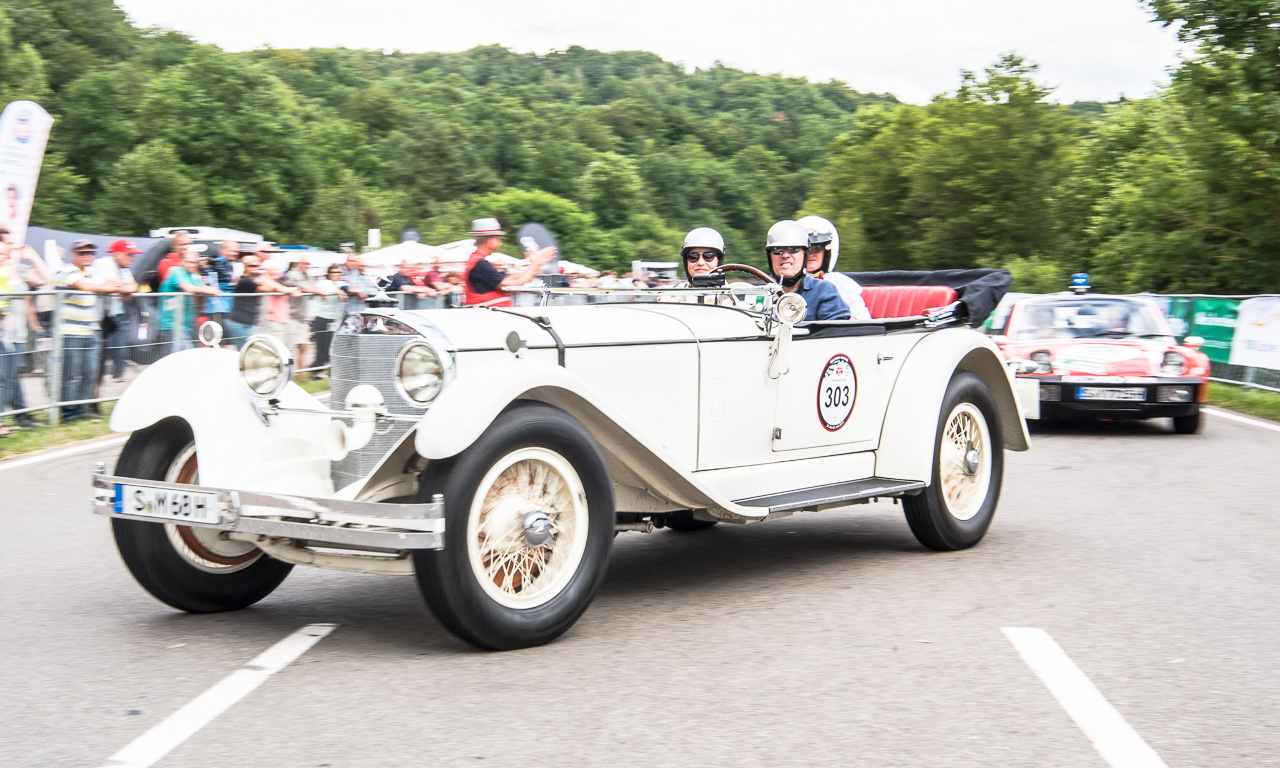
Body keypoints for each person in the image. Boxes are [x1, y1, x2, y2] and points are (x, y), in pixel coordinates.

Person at [56, 241, 121, 421]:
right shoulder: (66, 270)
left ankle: (83, 411)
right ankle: (69, 414)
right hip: (71, 332)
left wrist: (108, 286)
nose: (87, 255)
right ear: (73, 255)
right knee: (70, 375)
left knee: (91, 373)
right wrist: (104, 286)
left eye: (90, 252)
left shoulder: (93, 273)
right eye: (82, 252)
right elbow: (84, 286)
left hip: (91, 330)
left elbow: (119, 285)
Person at [764, 220, 849, 321]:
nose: (785, 255)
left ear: (805, 255)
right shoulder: (757, 291)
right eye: (777, 250)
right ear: (770, 256)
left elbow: (836, 331)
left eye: (793, 249)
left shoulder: (824, 291)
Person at [462, 218, 555, 307]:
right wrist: (535, 265)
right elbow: (513, 284)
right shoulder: (480, 264)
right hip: (491, 316)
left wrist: (534, 266)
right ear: (490, 239)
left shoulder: (478, 262)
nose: (500, 242)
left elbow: (513, 279)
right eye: (498, 238)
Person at [797, 216, 870, 321]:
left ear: (826, 252)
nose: (810, 254)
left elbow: (864, 322)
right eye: (806, 250)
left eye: (817, 248)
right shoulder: (784, 285)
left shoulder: (843, 284)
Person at [91, 239, 140, 384]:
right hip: (97, 318)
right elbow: (115, 287)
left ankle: (113, 376)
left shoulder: (123, 268)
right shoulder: (104, 264)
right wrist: (123, 289)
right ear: (117, 254)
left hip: (111, 316)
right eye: (129, 255)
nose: (133, 258)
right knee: (97, 357)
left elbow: (133, 286)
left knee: (117, 350)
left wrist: (124, 288)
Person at [226, 253, 296, 350]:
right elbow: (267, 288)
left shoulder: (252, 280)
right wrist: (265, 274)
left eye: (258, 266)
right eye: (253, 266)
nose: (256, 268)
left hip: (246, 323)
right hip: (240, 323)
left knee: (247, 351)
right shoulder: (245, 282)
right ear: (246, 267)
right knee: (246, 352)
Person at [311, 265, 348, 379]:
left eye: (338, 272)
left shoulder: (340, 283)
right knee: (322, 347)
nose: (337, 274)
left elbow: (345, 289)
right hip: (322, 317)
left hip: (334, 319)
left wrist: (344, 292)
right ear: (329, 273)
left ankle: (329, 371)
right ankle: (316, 371)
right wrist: (339, 292)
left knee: (332, 347)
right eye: (334, 272)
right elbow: (331, 291)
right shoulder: (324, 282)